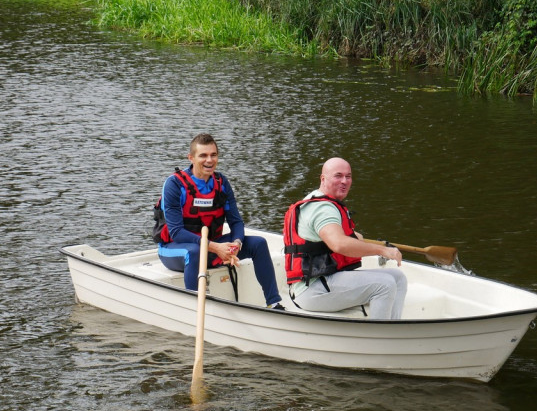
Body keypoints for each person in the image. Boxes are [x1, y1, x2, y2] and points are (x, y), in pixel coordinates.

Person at [154, 133, 284, 310]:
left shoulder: (221, 182)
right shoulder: (174, 185)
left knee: (258, 244)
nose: (209, 160)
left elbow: (236, 222)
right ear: (191, 158)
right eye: (203, 155)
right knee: (195, 252)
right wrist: (216, 247)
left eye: (213, 155)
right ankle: (196, 308)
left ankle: (274, 303)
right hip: (175, 250)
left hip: (211, 247)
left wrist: (235, 245)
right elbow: (176, 232)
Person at [282, 157, 407, 319]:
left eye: (348, 176)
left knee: (398, 278)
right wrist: (382, 250)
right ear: (323, 178)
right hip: (311, 289)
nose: (344, 181)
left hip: (324, 279)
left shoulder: (318, 199)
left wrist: (354, 237)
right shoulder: (322, 209)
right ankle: (379, 338)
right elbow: (339, 244)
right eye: (338, 176)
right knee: (384, 285)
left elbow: (332, 237)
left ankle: (393, 329)